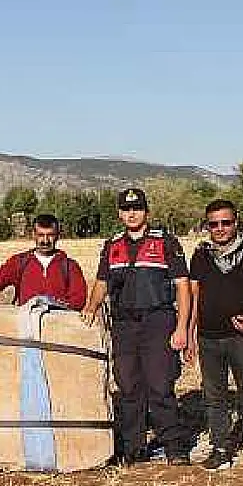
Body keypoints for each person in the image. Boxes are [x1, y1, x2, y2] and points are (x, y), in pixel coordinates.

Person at [81, 188, 193, 466]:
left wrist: (181, 328)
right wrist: (91, 308)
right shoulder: (112, 245)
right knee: (128, 387)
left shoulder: (166, 242)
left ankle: (174, 446)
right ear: (120, 213)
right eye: (127, 209)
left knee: (160, 385)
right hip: (125, 324)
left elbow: (182, 287)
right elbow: (102, 283)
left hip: (158, 321)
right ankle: (134, 447)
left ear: (147, 212)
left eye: (138, 208)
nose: (132, 214)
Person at [184, 199, 243, 479]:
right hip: (208, 339)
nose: (220, 229)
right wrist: (189, 335)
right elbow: (194, 298)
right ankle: (220, 449)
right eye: (213, 224)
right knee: (214, 397)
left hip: (240, 340)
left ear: (236, 222)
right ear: (207, 226)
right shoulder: (200, 257)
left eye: (226, 222)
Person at [0, 213, 87, 309]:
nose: (45, 240)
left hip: (57, 327)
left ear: (58, 236)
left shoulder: (69, 266)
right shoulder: (20, 262)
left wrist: (55, 305)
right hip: (26, 326)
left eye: (50, 235)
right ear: (33, 235)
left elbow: (79, 299)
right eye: (41, 235)